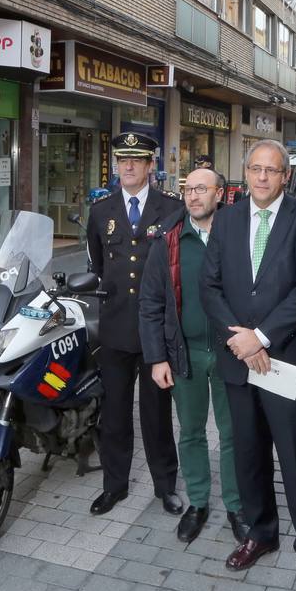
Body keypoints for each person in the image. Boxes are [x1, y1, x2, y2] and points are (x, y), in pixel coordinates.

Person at [200, 139, 296, 591]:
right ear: (245, 172)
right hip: (240, 361)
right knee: (248, 453)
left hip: (287, 361)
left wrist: (262, 337)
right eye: (255, 169)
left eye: (271, 171)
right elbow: (210, 286)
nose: (261, 178)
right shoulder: (229, 217)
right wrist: (241, 340)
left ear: (285, 176)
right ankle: (261, 532)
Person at [141, 167, 248, 545]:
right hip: (183, 353)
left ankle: (236, 506)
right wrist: (157, 358)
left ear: (220, 194)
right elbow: (151, 303)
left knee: (233, 433)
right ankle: (199, 503)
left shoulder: (238, 235)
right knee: (190, 432)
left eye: (202, 189)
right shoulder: (168, 238)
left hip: (230, 353)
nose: (193, 196)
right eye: (188, 189)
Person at [86, 132, 185, 517]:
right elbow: (98, 264)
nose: (127, 166)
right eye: (121, 160)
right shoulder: (102, 211)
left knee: (157, 414)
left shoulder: (171, 209)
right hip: (113, 328)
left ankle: (165, 486)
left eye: (136, 160)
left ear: (149, 166)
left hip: (155, 330)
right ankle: (115, 486)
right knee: (114, 414)